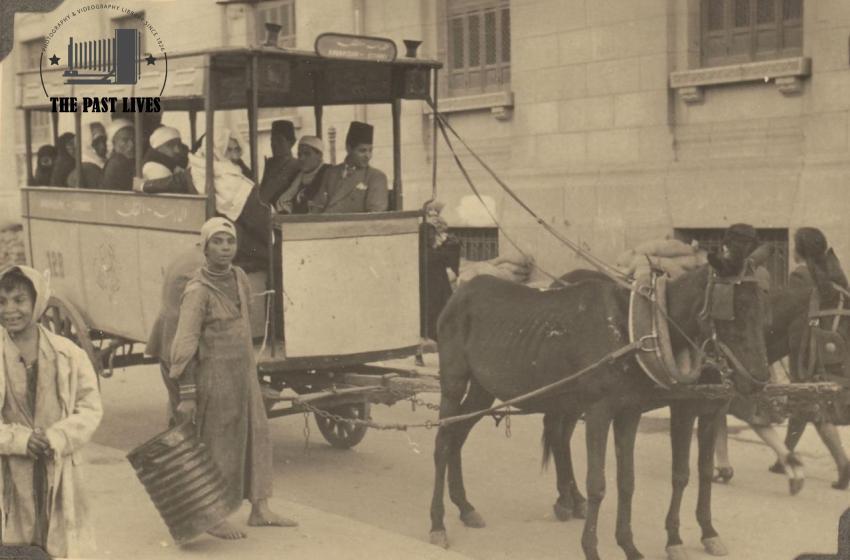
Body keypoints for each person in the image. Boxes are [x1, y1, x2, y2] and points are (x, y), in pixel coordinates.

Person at [168, 218, 296, 540]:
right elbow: (184, 345)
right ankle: (213, 515)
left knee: (257, 434)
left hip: (244, 373)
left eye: (230, 242)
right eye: (218, 242)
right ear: (205, 247)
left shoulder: (239, 277)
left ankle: (260, 508)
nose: (225, 249)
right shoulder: (197, 292)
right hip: (215, 378)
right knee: (219, 444)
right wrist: (187, 393)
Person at [0, 265, 102, 557]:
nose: (10, 310)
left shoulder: (68, 353)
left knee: (58, 542)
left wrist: (57, 437)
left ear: (37, 302)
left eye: (19, 300)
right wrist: (19, 440)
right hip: (10, 467)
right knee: (15, 541)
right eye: (2, 302)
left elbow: (90, 407)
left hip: (56, 463)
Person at [767, 227, 850, 489]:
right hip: (825, 348)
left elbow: (785, 314)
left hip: (806, 349)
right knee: (802, 404)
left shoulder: (801, 275)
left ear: (799, 250)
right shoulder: (831, 272)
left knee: (813, 406)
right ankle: (784, 456)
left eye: (793, 245)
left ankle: (843, 463)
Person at [189, 129, 271, 270]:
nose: (234, 155)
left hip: (247, 227)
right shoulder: (196, 171)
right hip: (228, 233)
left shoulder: (236, 168)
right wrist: (142, 185)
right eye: (228, 150)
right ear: (217, 150)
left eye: (236, 149)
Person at [146, 245, 205, 426]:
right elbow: (185, 342)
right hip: (179, 347)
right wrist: (188, 394)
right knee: (188, 420)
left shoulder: (191, 256)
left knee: (181, 413)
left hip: (170, 340)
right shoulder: (200, 271)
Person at [309, 121, 388, 214]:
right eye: (362, 151)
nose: (368, 156)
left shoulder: (376, 177)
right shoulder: (331, 173)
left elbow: (374, 215)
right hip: (324, 225)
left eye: (370, 150)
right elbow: (317, 206)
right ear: (349, 148)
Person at [273, 135, 329, 214]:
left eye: (307, 154)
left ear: (319, 156)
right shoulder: (296, 177)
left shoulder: (329, 173)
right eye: (299, 154)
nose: (302, 158)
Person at [135, 126, 196, 194]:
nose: (177, 150)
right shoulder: (154, 167)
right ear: (158, 148)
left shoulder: (174, 164)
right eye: (170, 145)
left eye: (179, 144)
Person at [258, 120, 301, 205]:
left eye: (279, 140)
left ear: (291, 143)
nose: (274, 144)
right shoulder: (270, 164)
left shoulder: (296, 165)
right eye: (272, 140)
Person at [67, 122, 107, 189]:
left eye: (104, 140)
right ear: (86, 143)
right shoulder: (88, 170)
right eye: (96, 142)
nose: (103, 146)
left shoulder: (100, 165)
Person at [100, 119, 135, 190]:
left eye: (133, 139)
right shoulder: (118, 163)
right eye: (125, 140)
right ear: (112, 142)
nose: (131, 145)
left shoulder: (125, 161)